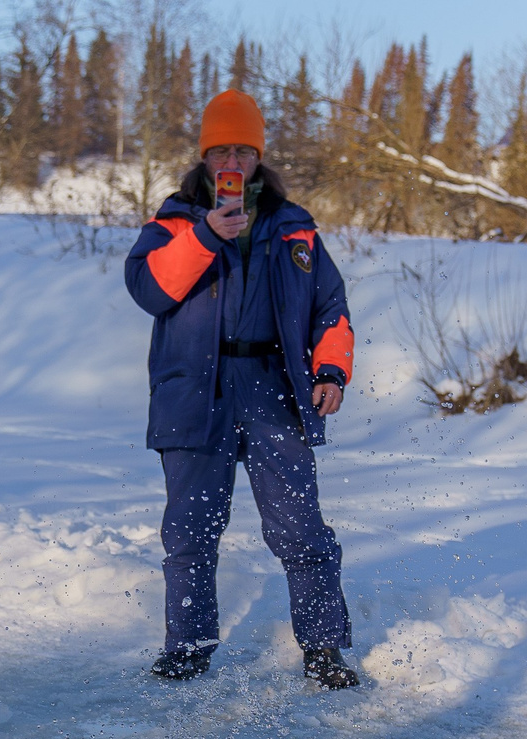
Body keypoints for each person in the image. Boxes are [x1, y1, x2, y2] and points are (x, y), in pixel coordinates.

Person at [124, 89, 361, 690]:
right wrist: (205, 235)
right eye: (220, 150)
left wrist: (330, 370)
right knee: (190, 531)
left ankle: (324, 648)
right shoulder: (174, 220)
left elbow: (330, 307)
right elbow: (150, 290)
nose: (231, 161)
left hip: (272, 389)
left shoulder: (294, 227)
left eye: (243, 150)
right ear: (205, 158)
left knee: (300, 528)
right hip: (194, 392)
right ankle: (189, 649)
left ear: (259, 157)